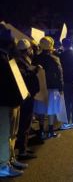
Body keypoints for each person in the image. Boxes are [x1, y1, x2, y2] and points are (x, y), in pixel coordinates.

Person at [0, 30, 26, 177]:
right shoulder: (2, 58)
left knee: (11, 133)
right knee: (4, 134)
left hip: (12, 101)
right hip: (4, 103)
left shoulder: (7, 56)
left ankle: (10, 159)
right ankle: (3, 165)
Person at [32, 36, 64, 139]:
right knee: (51, 110)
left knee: (41, 111)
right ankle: (50, 131)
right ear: (51, 46)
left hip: (40, 88)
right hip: (52, 87)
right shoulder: (55, 58)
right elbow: (59, 74)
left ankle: (41, 131)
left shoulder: (35, 58)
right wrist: (61, 88)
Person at [15, 39, 41, 160]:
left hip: (27, 95)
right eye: (30, 49)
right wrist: (36, 70)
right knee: (24, 124)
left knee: (26, 124)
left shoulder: (22, 60)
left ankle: (23, 147)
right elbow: (24, 77)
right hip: (25, 97)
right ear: (27, 50)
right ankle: (22, 151)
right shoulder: (19, 61)